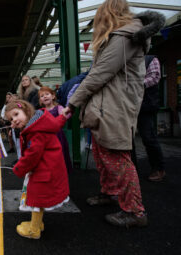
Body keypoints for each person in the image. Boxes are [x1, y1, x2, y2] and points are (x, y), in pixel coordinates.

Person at [62, 0, 165, 228]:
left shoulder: (124, 37)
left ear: (108, 16)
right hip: (108, 107)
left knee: (118, 159)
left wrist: (72, 103)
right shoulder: (127, 36)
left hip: (113, 108)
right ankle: (108, 193)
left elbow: (99, 74)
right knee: (103, 155)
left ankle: (135, 212)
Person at [5, 99, 70, 239]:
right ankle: (38, 223)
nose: (14, 120)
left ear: (26, 110)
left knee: (35, 198)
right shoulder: (40, 123)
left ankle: (34, 230)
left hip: (44, 169)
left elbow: (32, 155)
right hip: (49, 167)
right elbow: (57, 123)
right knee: (38, 198)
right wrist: (63, 116)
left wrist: (18, 168)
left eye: (16, 114)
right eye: (11, 119)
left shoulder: (36, 131)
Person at [138, 55, 165, 181]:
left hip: (146, 106)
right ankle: (132, 171)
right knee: (128, 140)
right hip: (131, 106)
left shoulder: (150, 59)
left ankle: (158, 168)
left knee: (148, 137)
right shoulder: (126, 59)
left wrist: (134, 85)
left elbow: (154, 77)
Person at [39, 86, 73, 173]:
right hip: (45, 138)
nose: (45, 96)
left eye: (47, 94)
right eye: (42, 96)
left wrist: (67, 111)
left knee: (60, 154)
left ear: (53, 96)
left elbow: (66, 115)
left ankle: (62, 171)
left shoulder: (58, 108)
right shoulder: (40, 111)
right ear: (40, 100)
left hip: (58, 136)